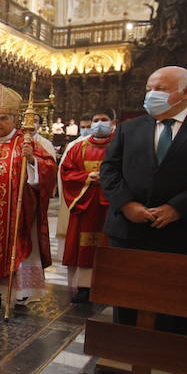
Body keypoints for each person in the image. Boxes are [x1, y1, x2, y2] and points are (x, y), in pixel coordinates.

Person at [99, 66, 187, 332]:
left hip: (183, 228)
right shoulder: (130, 127)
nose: (151, 94)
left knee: (175, 300)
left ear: (185, 93)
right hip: (129, 228)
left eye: (159, 89)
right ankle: (124, 353)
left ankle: (169, 356)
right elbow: (109, 169)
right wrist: (126, 204)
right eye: (149, 88)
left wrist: (177, 208)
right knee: (126, 295)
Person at [0, 84, 57, 307]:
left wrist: (33, 160)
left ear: (15, 119)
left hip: (17, 215)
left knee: (16, 250)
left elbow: (49, 170)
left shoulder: (26, 144)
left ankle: (19, 291)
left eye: (3, 118)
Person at [60, 107, 117, 302]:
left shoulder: (120, 145)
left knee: (109, 245)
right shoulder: (78, 147)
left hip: (111, 205)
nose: (99, 123)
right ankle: (84, 287)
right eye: (96, 120)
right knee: (84, 245)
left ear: (113, 122)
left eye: (104, 119)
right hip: (85, 205)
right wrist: (87, 177)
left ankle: (109, 284)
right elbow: (66, 173)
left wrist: (108, 179)